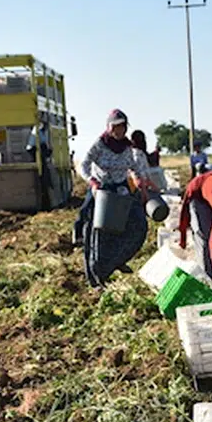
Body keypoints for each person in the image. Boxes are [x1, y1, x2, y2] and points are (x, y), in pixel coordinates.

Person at [77, 109, 154, 288]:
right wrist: (92, 181)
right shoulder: (100, 144)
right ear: (110, 127)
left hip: (122, 189)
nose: (120, 131)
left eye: (123, 126)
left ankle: (118, 260)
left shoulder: (128, 147)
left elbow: (135, 167)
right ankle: (97, 278)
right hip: (103, 191)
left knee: (138, 226)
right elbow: (84, 165)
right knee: (100, 235)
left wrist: (142, 187)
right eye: (117, 127)